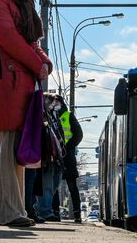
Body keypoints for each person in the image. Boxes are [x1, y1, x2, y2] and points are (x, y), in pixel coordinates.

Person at [0, 0, 53, 227]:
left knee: (16, 150)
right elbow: (8, 38)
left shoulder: (13, 1)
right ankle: (7, 213)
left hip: (19, 80)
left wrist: (43, 61)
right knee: (7, 147)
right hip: (7, 80)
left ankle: (13, 211)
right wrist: (38, 63)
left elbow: (29, 40)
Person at [54, 95, 83, 223]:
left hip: (68, 156)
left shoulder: (68, 115)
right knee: (53, 185)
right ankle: (54, 213)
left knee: (72, 187)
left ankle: (77, 214)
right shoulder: (50, 116)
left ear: (61, 103)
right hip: (55, 156)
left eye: (56, 102)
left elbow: (78, 135)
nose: (54, 105)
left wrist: (67, 147)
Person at [36, 94, 65, 222]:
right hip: (47, 154)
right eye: (52, 103)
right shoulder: (42, 114)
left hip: (56, 155)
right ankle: (44, 211)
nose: (54, 105)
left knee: (55, 182)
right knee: (47, 184)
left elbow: (58, 132)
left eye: (55, 103)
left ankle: (43, 208)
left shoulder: (53, 115)